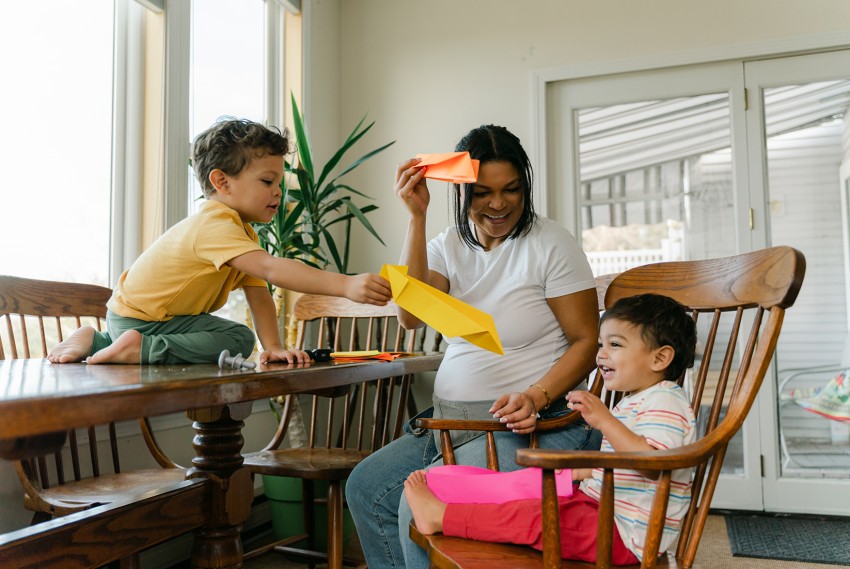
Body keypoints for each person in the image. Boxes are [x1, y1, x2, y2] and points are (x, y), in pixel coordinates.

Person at [345, 124, 603, 569]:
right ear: (462, 191)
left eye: (511, 189)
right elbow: (410, 316)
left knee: (420, 504)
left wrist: (535, 396)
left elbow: (586, 341)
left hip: (531, 425)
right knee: (367, 488)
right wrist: (416, 217)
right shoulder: (447, 245)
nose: (499, 203)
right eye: (483, 192)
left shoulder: (550, 243)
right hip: (450, 424)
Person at [47, 118, 391, 366]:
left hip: (150, 319)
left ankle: (99, 341)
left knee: (241, 337)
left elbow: (259, 294)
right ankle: (137, 348)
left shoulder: (241, 233)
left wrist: (272, 346)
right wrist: (345, 285)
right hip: (143, 320)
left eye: (279, 183)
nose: (278, 192)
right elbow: (272, 269)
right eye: (267, 181)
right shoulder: (215, 224)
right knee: (239, 339)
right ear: (222, 182)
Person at [404, 293, 698, 565]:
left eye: (616, 345)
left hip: (624, 535)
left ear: (660, 358)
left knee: (534, 519)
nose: (601, 354)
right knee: (528, 503)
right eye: (601, 345)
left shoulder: (666, 401)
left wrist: (604, 421)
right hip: (599, 508)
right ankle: (456, 502)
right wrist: (578, 472)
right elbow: (621, 464)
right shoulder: (637, 400)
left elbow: (653, 465)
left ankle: (443, 517)